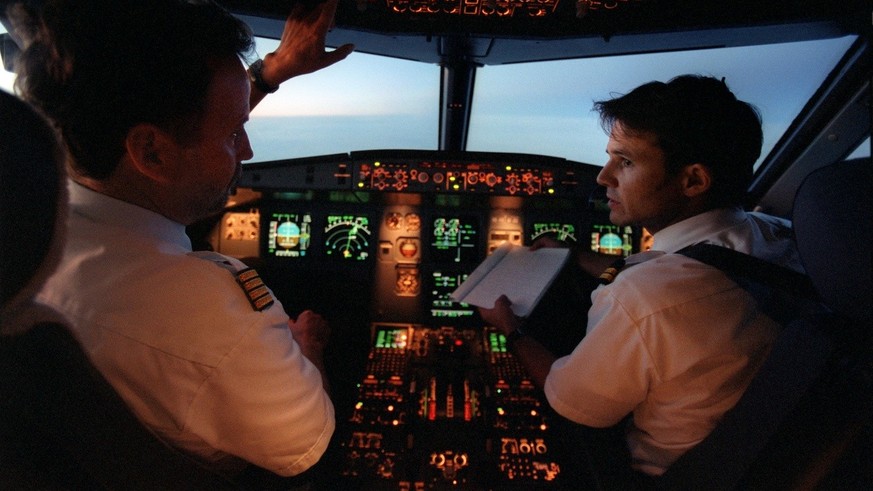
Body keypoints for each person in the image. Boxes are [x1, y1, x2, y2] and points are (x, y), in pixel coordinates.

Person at [14, 0, 354, 479]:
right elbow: (307, 444)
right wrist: (307, 346)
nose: (248, 150)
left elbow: (185, 132)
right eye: (235, 131)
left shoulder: (28, 247)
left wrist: (268, 73)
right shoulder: (217, 320)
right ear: (151, 152)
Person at [479, 75, 803, 478]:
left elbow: (568, 398)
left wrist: (510, 329)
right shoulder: (778, 234)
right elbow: (689, 269)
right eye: (609, 156)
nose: (603, 177)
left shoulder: (643, 297)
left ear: (693, 180)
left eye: (626, 162)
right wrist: (580, 257)